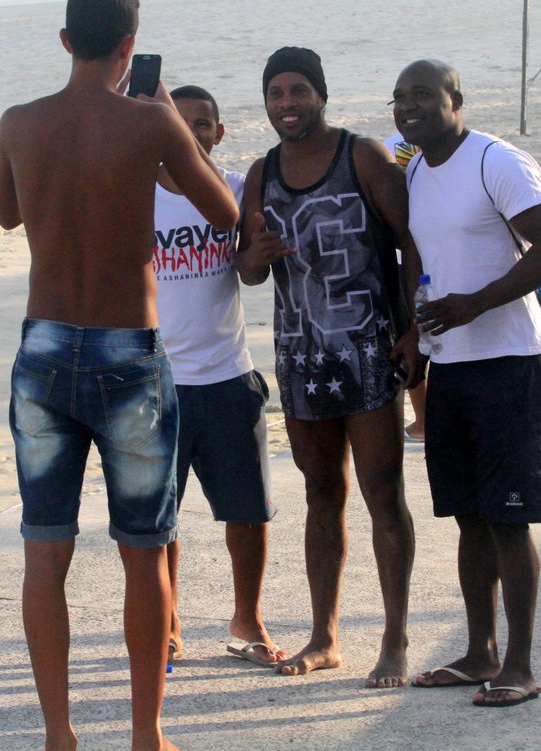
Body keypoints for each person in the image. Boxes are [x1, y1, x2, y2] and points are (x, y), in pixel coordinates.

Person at [0, 0, 237, 751]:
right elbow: (225, 212)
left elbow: (6, 212)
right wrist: (164, 130)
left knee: (45, 549)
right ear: (131, 46)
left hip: (44, 347)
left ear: (65, 40)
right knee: (142, 550)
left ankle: (58, 733)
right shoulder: (150, 124)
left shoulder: (19, 123)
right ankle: (144, 733)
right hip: (128, 353)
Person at [237, 46, 420, 688]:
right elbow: (249, 271)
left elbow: (409, 242)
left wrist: (414, 329)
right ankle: (325, 636)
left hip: (367, 351)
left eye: (297, 91)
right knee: (321, 495)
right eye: (275, 94)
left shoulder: (361, 155)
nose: (286, 103)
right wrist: (255, 253)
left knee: (383, 494)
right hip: (301, 353)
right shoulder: (261, 172)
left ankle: (394, 640)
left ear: (321, 95)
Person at [393, 60, 541, 706]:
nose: (408, 106)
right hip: (450, 367)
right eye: (399, 98)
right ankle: (479, 652)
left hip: (511, 363)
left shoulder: (499, 162)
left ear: (456, 100)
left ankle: (518, 665)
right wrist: (413, 338)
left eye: (422, 95)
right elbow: (421, 257)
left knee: (510, 520)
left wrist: (479, 303)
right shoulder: (414, 169)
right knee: (469, 518)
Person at [152, 85, 284, 667]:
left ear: (218, 132)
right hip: (155, 383)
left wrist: (260, 254)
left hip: (229, 377)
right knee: (157, 520)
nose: (193, 132)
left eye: (203, 123)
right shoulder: (135, 195)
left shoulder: (233, 190)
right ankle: (166, 620)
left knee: (248, 513)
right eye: (179, 122)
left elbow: (249, 274)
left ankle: (246, 620)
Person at [383, 134, 427, 441]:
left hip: (405, 257)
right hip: (434, 249)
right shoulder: (445, 144)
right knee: (424, 336)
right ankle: (427, 418)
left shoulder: (385, 148)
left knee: (410, 338)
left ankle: (425, 419)